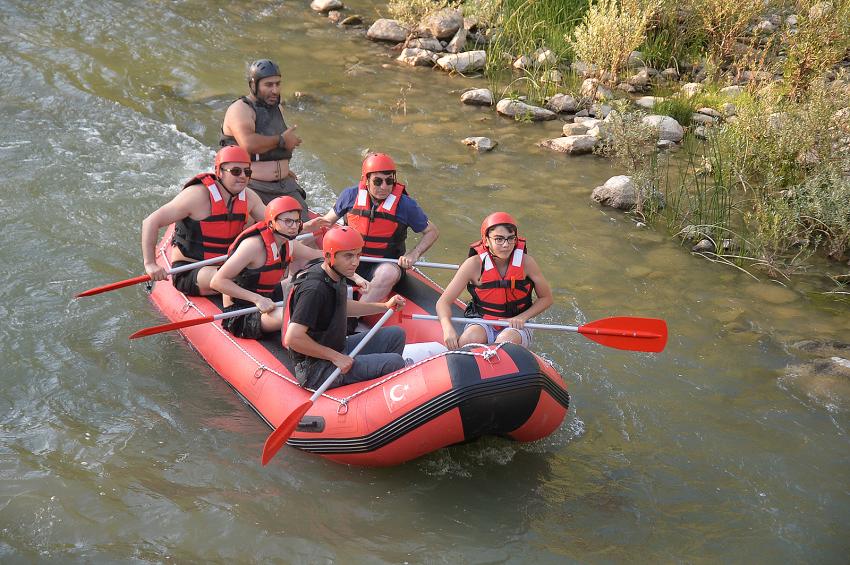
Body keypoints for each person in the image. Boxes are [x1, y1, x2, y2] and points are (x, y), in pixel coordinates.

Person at [210, 197, 368, 339]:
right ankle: (315, 341)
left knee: (308, 277)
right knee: (298, 314)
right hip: (241, 312)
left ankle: (341, 327)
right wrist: (257, 299)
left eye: (297, 221)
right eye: (288, 221)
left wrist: (354, 277)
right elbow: (217, 282)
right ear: (272, 223)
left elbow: (324, 256)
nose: (294, 226)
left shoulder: (287, 243)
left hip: (268, 295)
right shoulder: (253, 246)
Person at [283, 226, 407, 389]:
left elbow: (343, 307)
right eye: (348, 256)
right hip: (316, 368)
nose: (355, 262)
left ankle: (369, 386)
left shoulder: (337, 273)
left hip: (337, 347)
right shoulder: (314, 290)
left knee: (396, 335)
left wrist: (384, 306)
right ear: (328, 256)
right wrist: (335, 357)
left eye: (358, 255)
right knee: (395, 362)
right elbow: (293, 338)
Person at [141, 145, 265, 296]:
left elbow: (275, 224)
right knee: (239, 279)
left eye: (247, 172)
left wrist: (299, 227)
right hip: (190, 270)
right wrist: (150, 264)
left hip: (227, 266)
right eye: (235, 171)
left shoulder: (249, 197)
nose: (243, 176)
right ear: (219, 172)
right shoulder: (197, 196)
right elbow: (150, 221)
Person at [220, 59, 327, 232]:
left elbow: (270, 148)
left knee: (305, 235)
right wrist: (282, 141)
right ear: (253, 85)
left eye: (278, 84)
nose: (275, 90)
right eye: (268, 85)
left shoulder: (277, 108)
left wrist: (281, 168)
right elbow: (248, 144)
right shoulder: (240, 109)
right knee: (255, 235)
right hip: (252, 186)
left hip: (284, 185)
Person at [319, 153, 439, 303]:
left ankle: (353, 316)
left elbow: (431, 232)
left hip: (384, 264)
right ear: (366, 180)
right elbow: (326, 222)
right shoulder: (350, 195)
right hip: (351, 259)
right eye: (377, 181)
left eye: (389, 181)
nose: (384, 187)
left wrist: (414, 254)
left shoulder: (405, 205)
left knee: (387, 273)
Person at [436, 212, 553, 350]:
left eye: (511, 239)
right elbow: (443, 302)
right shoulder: (473, 264)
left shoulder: (527, 263)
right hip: (482, 320)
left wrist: (522, 317)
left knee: (504, 342)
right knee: (469, 339)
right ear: (486, 241)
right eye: (499, 239)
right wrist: (447, 328)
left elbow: (546, 298)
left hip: (516, 324)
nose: (506, 245)